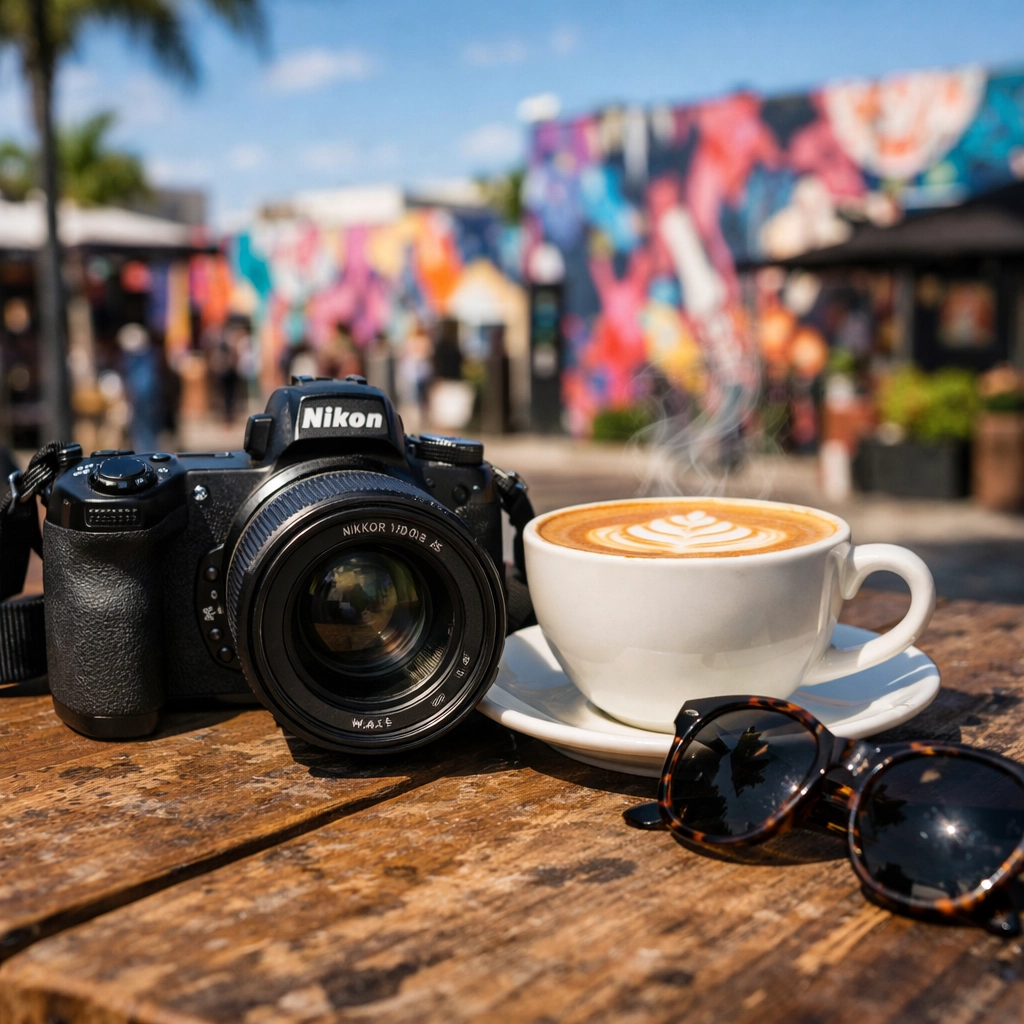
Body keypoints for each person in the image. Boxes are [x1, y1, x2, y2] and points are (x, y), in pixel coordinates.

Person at [117, 323, 162, 453]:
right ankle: (148, 451)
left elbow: (138, 382)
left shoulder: (136, 359)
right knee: (146, 428)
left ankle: (146, 452)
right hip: (147, 396)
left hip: (143, 397)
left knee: (144, 428)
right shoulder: (149, 355)